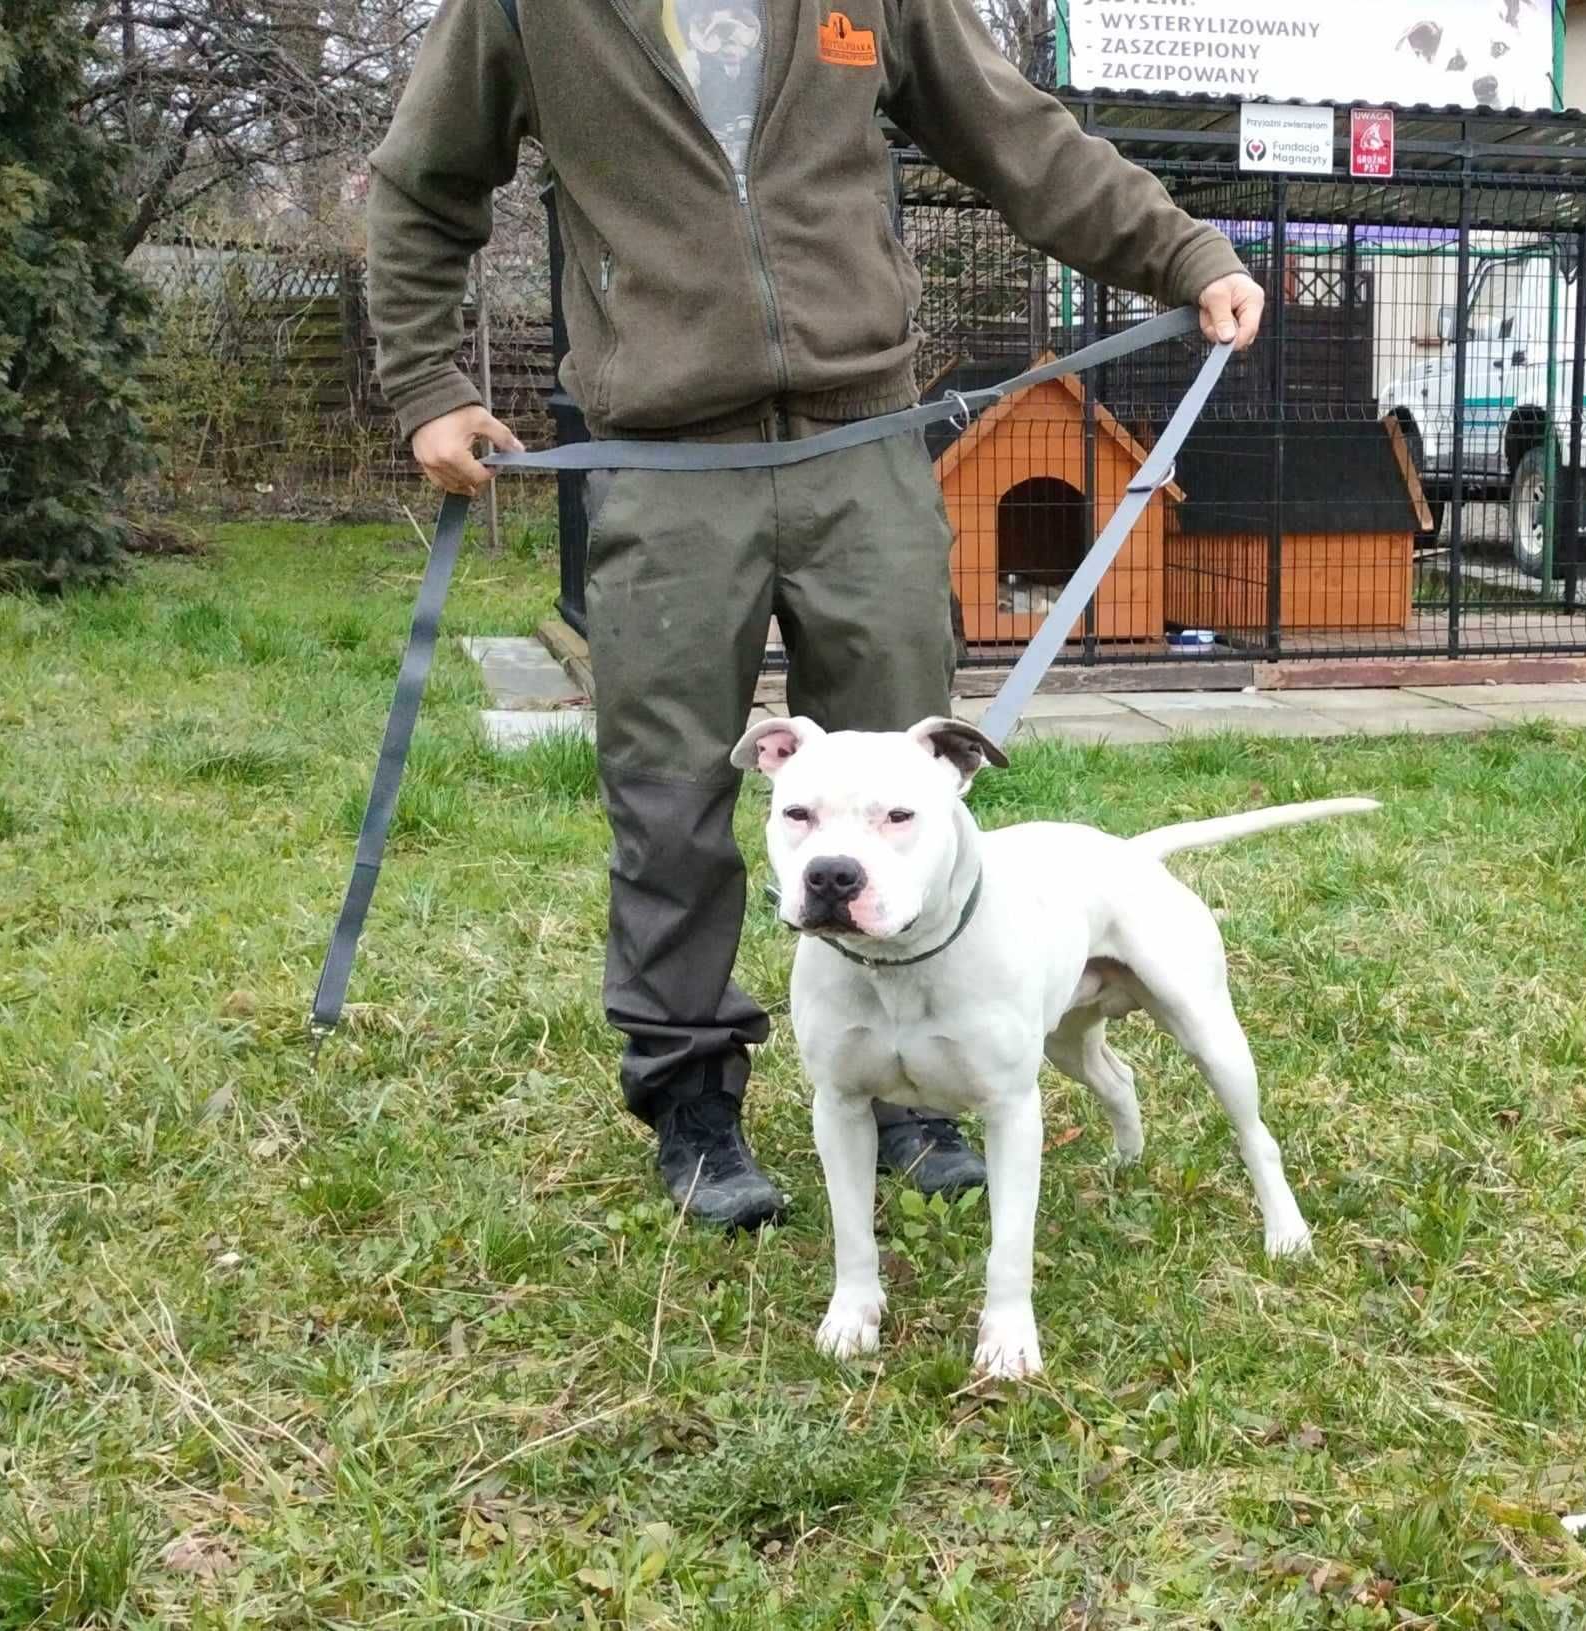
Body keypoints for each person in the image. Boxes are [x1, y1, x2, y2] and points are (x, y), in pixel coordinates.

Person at [366, 0, 1264, 1229]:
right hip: (666, 457)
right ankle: (692, 1103)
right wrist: (428, 381)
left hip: (865, 443)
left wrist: (1184, 251)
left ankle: (916, 1093)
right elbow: (422, 187)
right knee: (669, 790)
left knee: (907, 787)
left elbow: (1017, 134)